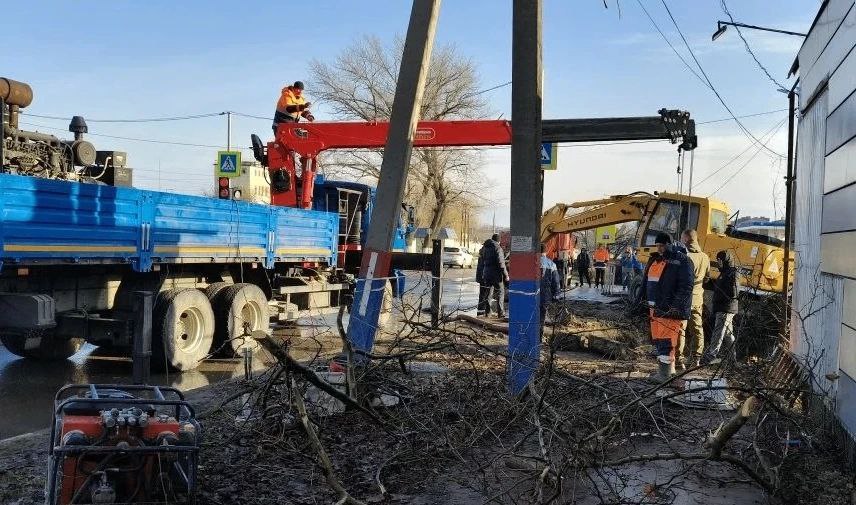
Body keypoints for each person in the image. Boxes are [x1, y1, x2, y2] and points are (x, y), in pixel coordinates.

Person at [644, 232, 694, 381]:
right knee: (660, 340)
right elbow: (646, 283)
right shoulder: (656, 260)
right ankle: (666, 371)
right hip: (655, 308)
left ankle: (664, 375)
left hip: (668, 309)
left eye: (662, 245)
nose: (659, 248)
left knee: (666, 340)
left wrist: (675, 306)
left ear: (669, 244)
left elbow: (686, 287)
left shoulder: (681, 261)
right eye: (658, 245)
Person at [678, 229, 711, 369]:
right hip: (698, 299)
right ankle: (696, 359)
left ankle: (679, 360)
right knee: (697, 328)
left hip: (684, 299)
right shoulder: (705, 257)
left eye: (681, 238)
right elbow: (707, 278)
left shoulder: (684, 256)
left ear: (686, 239)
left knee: (680, 329)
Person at [702, 250, 740, 364]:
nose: (718, 262)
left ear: (725, 260)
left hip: (726, 308)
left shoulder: (732, 273)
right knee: (728, 334)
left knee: (718, 332)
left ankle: (711, 356)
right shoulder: (725, 272)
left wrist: (721, 296)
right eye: (717, 260)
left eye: (720, 260)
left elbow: (734, 293)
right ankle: (733, 360)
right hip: (723, 307)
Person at [476, 233, 509, 318]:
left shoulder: (485, 248)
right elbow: (501, 263)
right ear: (499, 241)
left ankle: (488, 312)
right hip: (496, 275)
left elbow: (482, 261)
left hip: (486, 273)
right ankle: (500, 313)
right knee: (500, 292)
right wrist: (506, 275)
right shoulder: (498, 248)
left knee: (488, 293)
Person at [539, 244, 561, 336]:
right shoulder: (552, 264)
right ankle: (539, 336)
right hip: (545, 294)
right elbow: (556, 282)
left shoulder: (530, 263)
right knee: (541, 315)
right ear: (546, 252)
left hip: (530, 294)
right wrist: (556, 295)